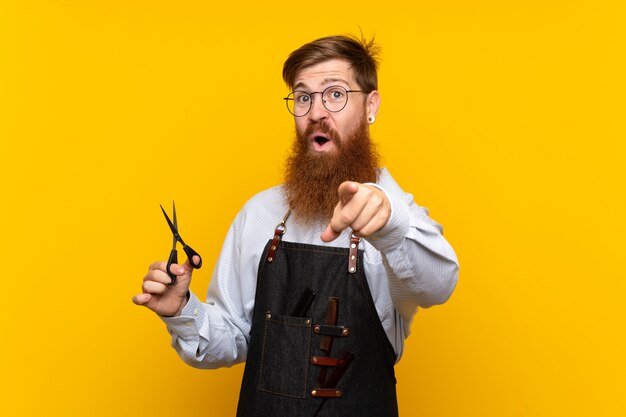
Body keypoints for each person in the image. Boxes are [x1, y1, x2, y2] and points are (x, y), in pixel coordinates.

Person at [133, 34, 459, 417]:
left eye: (335, 94)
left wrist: (389, 224)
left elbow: (440, 284)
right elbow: (235, 337)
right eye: (304, 97)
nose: (317, 112)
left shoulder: (395, 214)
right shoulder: (260, 213)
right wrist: (182, 310)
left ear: (371, 106)